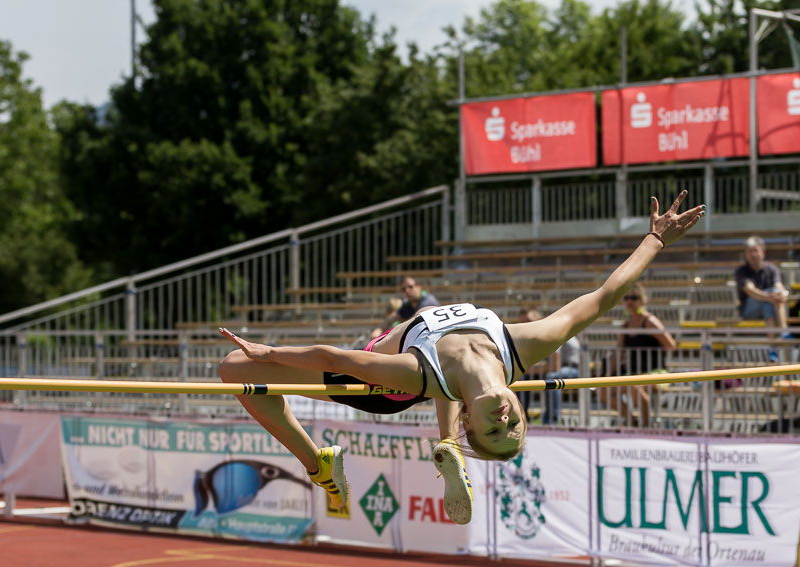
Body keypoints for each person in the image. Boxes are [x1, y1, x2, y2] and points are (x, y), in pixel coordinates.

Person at [218, 191, 705, 525]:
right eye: (513, 426)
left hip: (380, 384)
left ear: (475, 422)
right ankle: (446, 444)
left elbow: (337, 358)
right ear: (519, 408)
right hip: (441, 371)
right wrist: (655, 240)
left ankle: (318, 464)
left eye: (492, 431)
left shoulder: (413, 376)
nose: (504, 420)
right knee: (458, 382)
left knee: (233, 370)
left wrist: (270, 352)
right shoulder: (525, 346)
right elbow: (601, 299)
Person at [599, 284, 676, 427]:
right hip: (635, 373)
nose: (629, 301)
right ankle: (632, 421)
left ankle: (646, 426)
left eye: (634, 298)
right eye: (626, 298)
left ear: (642, 300)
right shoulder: (625, 326)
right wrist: (607, 376)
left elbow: (670, 345)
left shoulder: (650, 322)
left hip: (656, 372)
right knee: (604, 391)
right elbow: (618, 352)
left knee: (634, 386)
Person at [735, 236, 789, 330]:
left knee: (768, 304)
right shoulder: (741, 271)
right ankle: (784, 332)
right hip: (748, 310)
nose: (753, 254)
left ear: (763, 253)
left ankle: (773, 341)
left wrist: (781, 294)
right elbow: (750, 290)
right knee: (771, 300)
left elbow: (778, 285)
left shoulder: (772, 269)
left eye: (755, 250)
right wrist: (770, 297)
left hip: (770, 305)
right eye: (749, 251)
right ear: (746, 254)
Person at [374, 276, 440, 334]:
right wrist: (379, 329)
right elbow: (391, 319)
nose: (407, 291)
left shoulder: (429, 301)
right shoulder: (408, 303)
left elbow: (411, 322)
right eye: (403, 289)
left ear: (419, 287)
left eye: (410, 287)